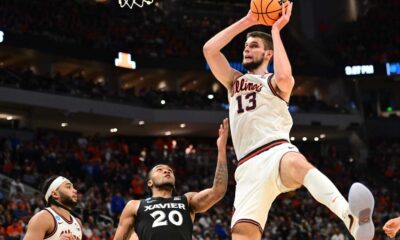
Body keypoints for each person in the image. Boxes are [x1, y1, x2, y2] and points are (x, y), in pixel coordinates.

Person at [203, 2, 375, 240]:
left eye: (253, 46)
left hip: (276, 151)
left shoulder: (274, 83)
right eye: (245, 46)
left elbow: (285, 76)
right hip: (247, 167)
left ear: (268, 54)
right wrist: (249, 20)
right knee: (242, 235)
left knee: (298, 163)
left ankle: (351, 219)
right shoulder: (234, 82)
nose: (246, 50)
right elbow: (210, 50)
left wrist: (275, 30)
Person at [114, 119, 229, 240]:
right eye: (159, 169)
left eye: (170, 170)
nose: (166, 171)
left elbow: (218, 191)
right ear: (150, 182)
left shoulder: (187, 201)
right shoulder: (134, 206)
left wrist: (221, 149)